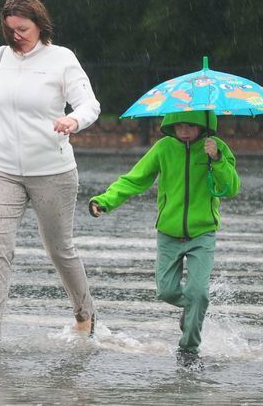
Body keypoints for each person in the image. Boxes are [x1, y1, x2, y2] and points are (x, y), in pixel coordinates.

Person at [0, 0, 101, 353]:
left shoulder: (61, 59)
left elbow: (90, 104)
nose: (16, 36)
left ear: (40, 25)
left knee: (59, 249)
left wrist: (73, 120)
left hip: (52, 171)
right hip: (4, 170)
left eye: (23, 29)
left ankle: (85, 314)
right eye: (10, 30)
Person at [88, 110, 240, 367]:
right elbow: (135, 180)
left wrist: (217, 159)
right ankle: (193, 309)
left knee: (199, 293)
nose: (183, 130)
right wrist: (104, 201)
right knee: (166, 291)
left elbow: (231, 188)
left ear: (204, 124)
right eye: (178, 124)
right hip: (168, 233)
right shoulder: (163, 148)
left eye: (189, 125)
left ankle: (189, 350)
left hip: (203, 234)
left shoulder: (217, 148)